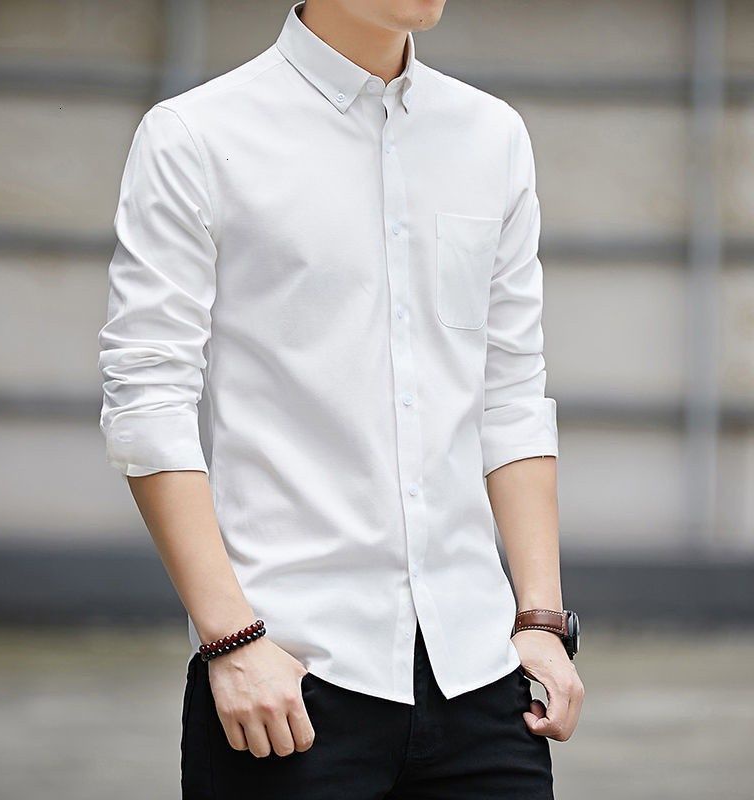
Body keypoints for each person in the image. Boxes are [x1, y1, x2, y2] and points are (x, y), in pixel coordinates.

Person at [97, 1, 584, 797]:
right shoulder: (196, 136)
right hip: (287, 680)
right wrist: (230, 641)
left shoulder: (491, 135)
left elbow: (511, 389)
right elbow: (147, 399)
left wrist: (541, 620)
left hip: (481, 677)